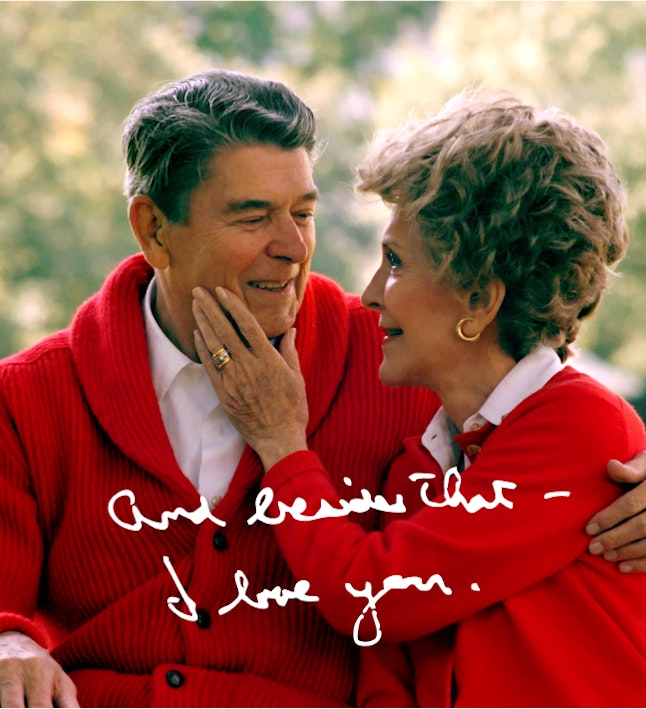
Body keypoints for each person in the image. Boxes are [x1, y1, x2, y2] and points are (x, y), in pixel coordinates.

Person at [0, 71, 643, 709]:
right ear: (154, 230)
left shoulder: (406, 365)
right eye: (253, 217)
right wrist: (10, 643)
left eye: (303, 214)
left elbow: (540, 400)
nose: (294, 248)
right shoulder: (31, 397)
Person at [191, 88, 646, 706]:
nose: (372, 294)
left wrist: (280, 443)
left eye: (396, 263)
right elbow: (389, 675)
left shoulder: (580, 426)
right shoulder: (421, 463)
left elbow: (372, 598)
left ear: (479, 299)